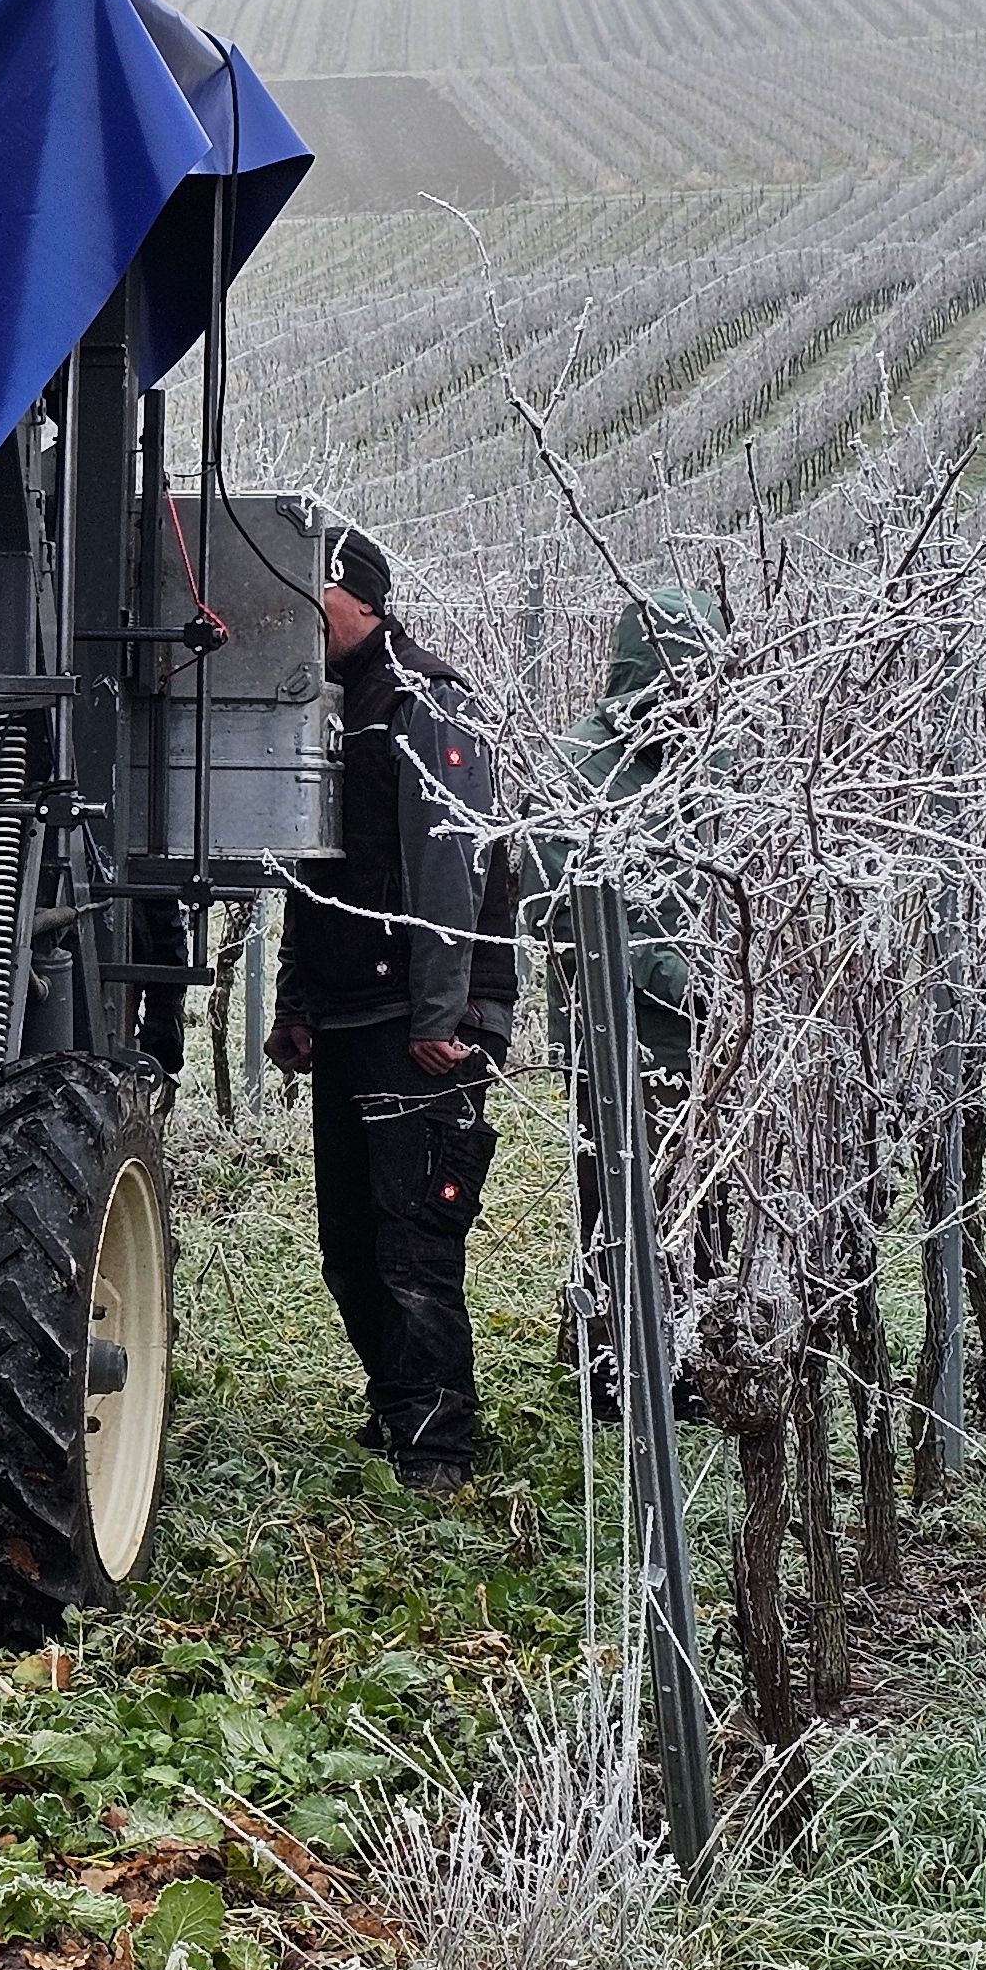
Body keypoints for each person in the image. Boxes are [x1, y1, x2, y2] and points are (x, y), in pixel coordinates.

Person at [268, 528, 519, 1493]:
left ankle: (440, 1446)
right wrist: (298, 1000)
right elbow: (311, 871)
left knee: (413, 1236)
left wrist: (443, 1017)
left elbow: (448, 868)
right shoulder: (332, 706)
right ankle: (398, 1405)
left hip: (416, 1021)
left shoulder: (422, 702)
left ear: (360, 601)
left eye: (314, 596)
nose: (296, 616)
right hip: (350, 1012)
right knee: (349, 1240)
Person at [529, 586, 727, 1409]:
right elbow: (562, 908)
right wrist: (683, 979)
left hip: (711, 1039)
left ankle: (694, 1357)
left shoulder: (708, 765)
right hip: (618, 1037)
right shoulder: (581, 767)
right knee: (621, 1203)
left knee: (703, 1201)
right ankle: (616, 1368)